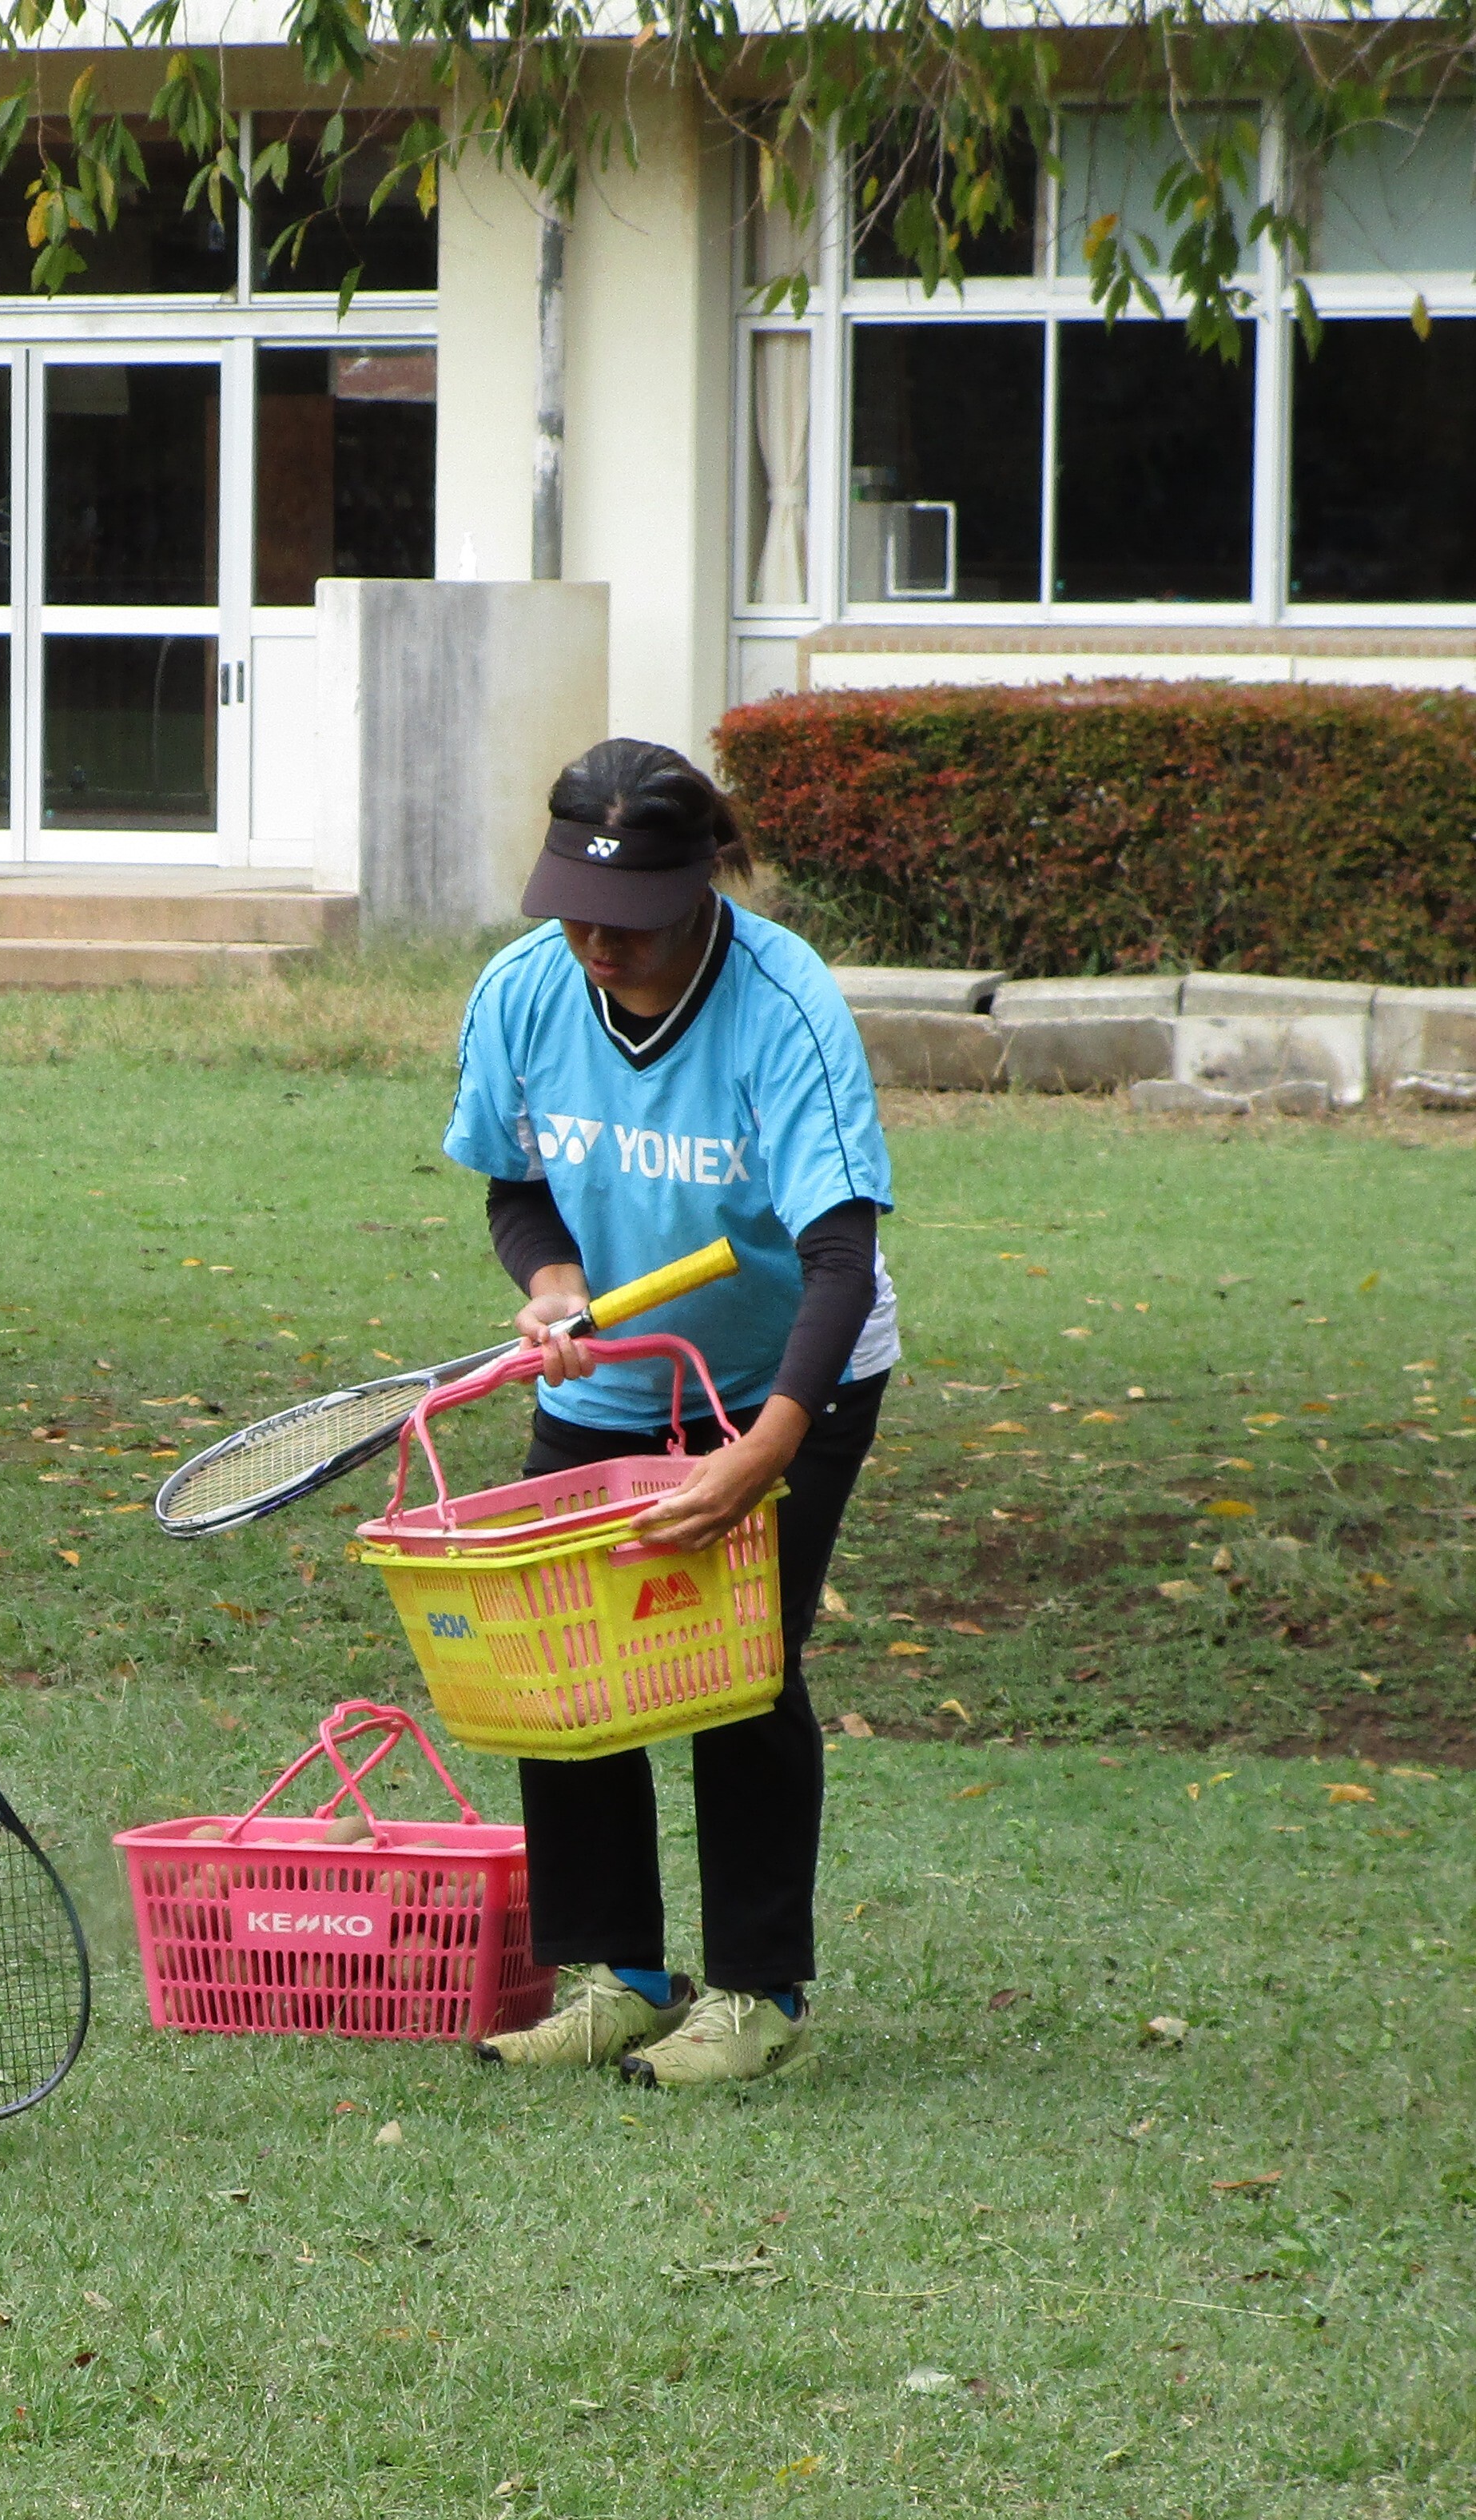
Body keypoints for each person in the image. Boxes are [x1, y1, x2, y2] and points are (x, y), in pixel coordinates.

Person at [444, 736, 897, 2088]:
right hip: (613, 1374)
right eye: (575, 914)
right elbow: (517, 1184)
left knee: (736, 1660)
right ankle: (622, 1974)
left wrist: (767, 1450)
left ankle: (758, 1991)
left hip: (788, 1371)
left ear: (701, 884)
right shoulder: (523, 993)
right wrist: (555, 1283)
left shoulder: (784, 1005)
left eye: (629, 919)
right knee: (563, 1659)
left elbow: (840, 1255)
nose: (599, 944)